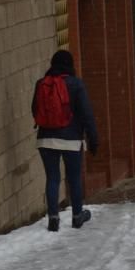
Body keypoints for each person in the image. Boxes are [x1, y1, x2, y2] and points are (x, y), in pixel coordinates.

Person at [32, 50, 98, 232]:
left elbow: (34, 109)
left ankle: (53, 217)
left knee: (52, 178)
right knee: (74, 178)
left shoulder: (41, 84)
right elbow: (86, 114)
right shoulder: (76, 84)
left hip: (46, 140)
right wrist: (93, 138)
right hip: (71, 140)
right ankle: (77, 216)